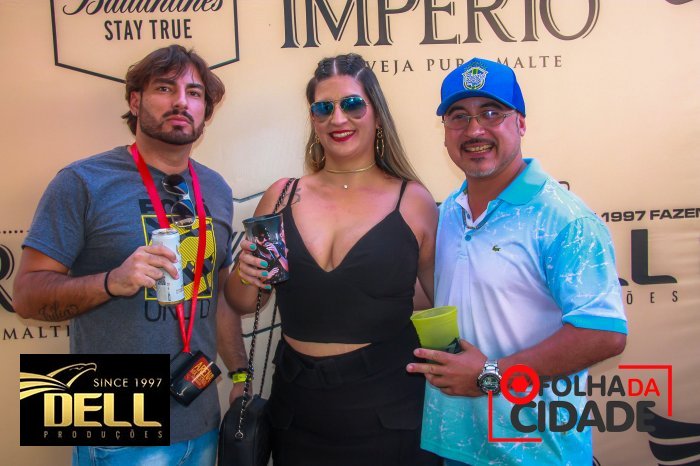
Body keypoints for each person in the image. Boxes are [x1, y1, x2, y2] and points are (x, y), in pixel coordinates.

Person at [13, 45, 247, 466]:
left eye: (194, 93)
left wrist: (240, 373)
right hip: (113, 418)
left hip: (199, 416)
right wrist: (111, 282)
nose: (181, 101)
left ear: (205, 112)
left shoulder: (215, 188)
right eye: (165, 88)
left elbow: (218, 299)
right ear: (135, 101)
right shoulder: (82, 181)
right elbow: (26, 297)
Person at [406, 57, 629, 466]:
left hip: (535, 451)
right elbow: (442, 296)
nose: (475, 130)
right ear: (446, 131)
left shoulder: (564, 219)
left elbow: (603, 333)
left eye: (492, 113)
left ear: (520, 123)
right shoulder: (449, 211)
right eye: (459, 116)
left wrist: (488, 375)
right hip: (456, 443)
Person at [225, 53, 440, 466]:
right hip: (297, 412)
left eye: (352, 104)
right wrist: (245, 273)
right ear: (313, 119)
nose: (337, 118)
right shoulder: (281, 196)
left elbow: (439, 299)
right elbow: (244, 302)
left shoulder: (412, 200)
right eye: (323, 108)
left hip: (390, 410)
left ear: (377, 114)